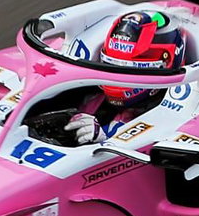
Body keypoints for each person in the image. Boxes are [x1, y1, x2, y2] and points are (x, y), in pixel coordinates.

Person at [64, 9, 190, 144]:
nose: (118, 78)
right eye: (111, 64)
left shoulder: (176, 114)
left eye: (130, 70)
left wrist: (104, 139)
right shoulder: (92, 99)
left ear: (165, 64)